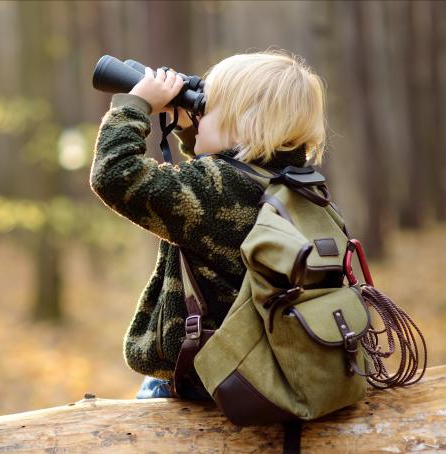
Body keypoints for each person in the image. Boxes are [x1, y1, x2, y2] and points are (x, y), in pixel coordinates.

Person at [90, 50, 326, 399]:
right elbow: (211, 192)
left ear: (244, 124)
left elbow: (115, 175)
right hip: (254, 369)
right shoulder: (296, 183)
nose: (198, 113)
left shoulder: (216, 188)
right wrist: (189, 130)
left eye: (207, 107)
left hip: (196, 381)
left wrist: (134, 104)